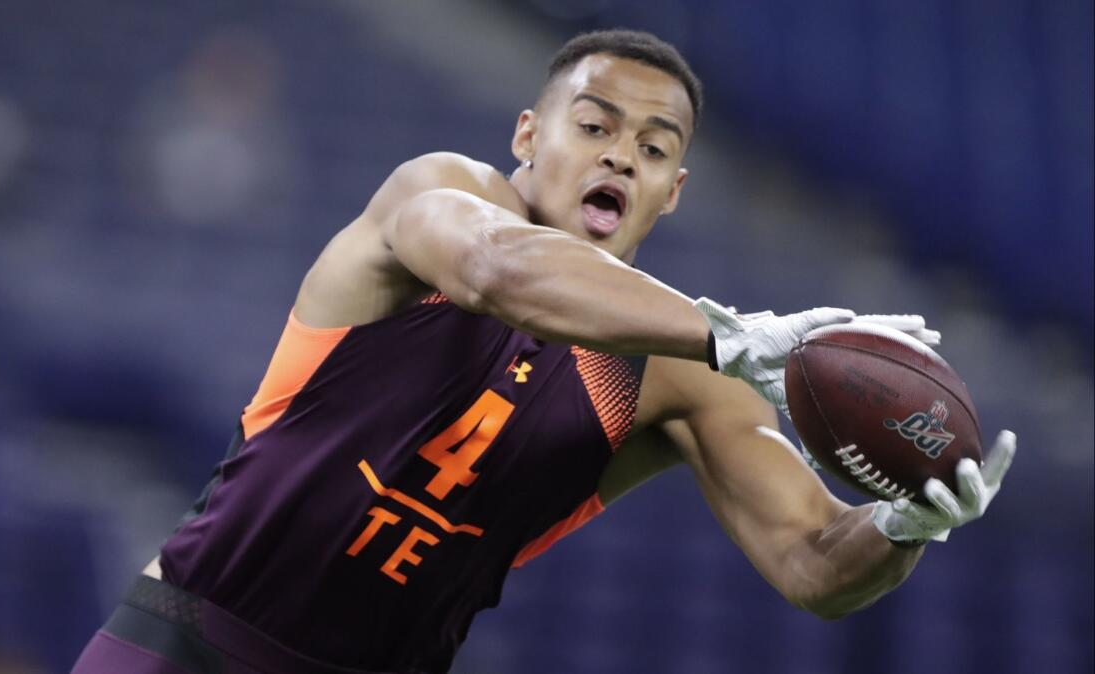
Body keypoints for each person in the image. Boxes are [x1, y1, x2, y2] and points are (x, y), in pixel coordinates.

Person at [72, 29, 1015, 674]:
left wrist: (905, 527)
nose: (618, 157)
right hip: (187, 642)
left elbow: (813, 563)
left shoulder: (687, 374)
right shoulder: (438, 193)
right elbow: (495, 269)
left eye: (652, 149)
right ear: (529, 133)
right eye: (594, 124)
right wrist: (735, 335)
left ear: (673, 191)